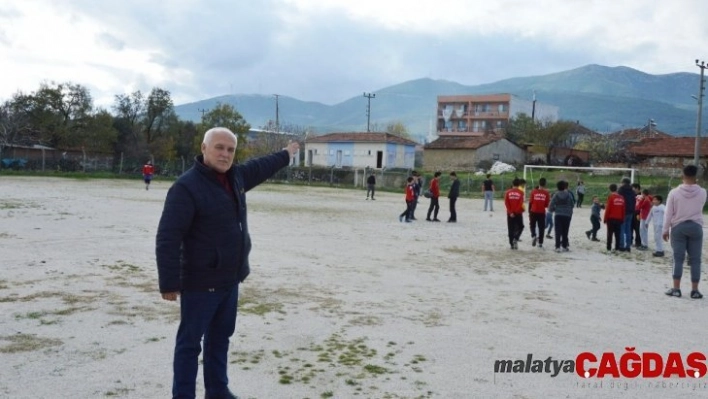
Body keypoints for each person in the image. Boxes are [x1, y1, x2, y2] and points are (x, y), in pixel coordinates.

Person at [156, 127, 299, 399]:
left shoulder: (236, 177)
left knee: (220, 339)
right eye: (219, 147)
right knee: (189, 344)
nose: (225, 154)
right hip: (200, 282)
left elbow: (262, 166)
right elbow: (168, 236)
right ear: (204, 148)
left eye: (230, 150)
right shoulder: (186, 187)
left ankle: (217, 390)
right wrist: (169, 282)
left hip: (229, 280)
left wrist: (286, 154)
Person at [663, 165, 707, 299]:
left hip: (679, 226)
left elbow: (668, 213)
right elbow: (701, 205)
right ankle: (695, 290)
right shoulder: (703, 192)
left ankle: (676, 288)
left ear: (682, 176)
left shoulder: (674, 192)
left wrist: (665, 229)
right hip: (696, 226)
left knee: (678, 258)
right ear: (696, 177)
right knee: (695, 259)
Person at [549, 180, 575, 252]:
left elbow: (551, 204)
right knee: (565, 230)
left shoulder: (556, 194)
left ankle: (557, 247)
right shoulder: (568, 194)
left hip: (558, 214)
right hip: (567, 214)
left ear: (557, 187)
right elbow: (572, 204)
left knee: (558, 231)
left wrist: (553, 209)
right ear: (564, 187)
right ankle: (564, 246)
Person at [528, 177, 550, 249]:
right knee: (541, 228)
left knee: (532, 225)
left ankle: (533, 235)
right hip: (541, 212)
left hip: (533, 211)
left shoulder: (533, 191)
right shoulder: (546, 193)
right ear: (545, 184)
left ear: (539, 183)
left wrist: (529, 211)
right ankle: (540, 243)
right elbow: (547, 204)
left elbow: (530, 202)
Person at [603, 183, 625, 252]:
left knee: (610, 233)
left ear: (610, 189)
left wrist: (605, 218)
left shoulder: (611, 197)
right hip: (619, 218)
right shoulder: (622, 197)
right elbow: (623, 209)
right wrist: (622, 218)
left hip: (611, 218)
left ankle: (608, 248)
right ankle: (617, 248)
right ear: (617, 189)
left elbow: (608, 208)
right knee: (617, 234)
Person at [505, 178, 525, 250]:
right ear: (519, 184)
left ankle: (511, 244)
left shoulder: (507, 192)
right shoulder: (521, 193)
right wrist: (515, 212)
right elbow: (520, 203)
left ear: (512, 184)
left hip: (510, 213)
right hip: (518, 213)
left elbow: (506, 203)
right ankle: (516, 238)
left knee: (511, 228)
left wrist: (511, 212)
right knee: (521, 226)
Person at [617, 178, 636, 252]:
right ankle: (628, 246)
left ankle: (621, 245)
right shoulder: (632, 191)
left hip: (623, 211)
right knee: (628, 229)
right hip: (631, 212)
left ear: (623, 182)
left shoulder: (621, 190)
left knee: (621, 229)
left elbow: (619, 201)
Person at [631, 183, 643, 247]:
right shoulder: (632, 195)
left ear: (637, 188)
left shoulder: (641, 196)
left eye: (633, 188)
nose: (632, 189)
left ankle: (638, 242)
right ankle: (630, 241)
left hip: (638, 214)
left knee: (637, 229)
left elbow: (641, 206)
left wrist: (639, 213)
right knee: (630, 228)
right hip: (631, 213)